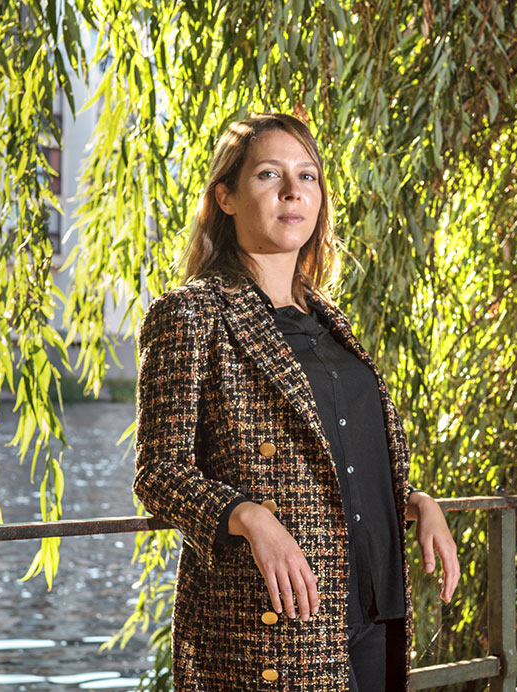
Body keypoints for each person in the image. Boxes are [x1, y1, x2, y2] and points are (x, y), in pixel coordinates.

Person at [133, 113, 459, 692]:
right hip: (278, 621)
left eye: (307, 177)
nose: (293, 192)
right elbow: (159, 474)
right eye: (269, 175)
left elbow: (340, 458)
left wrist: (415, 500)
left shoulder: (330, 321)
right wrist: (248, 516)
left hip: (376, 607)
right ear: (226, 197)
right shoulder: (190, 313)